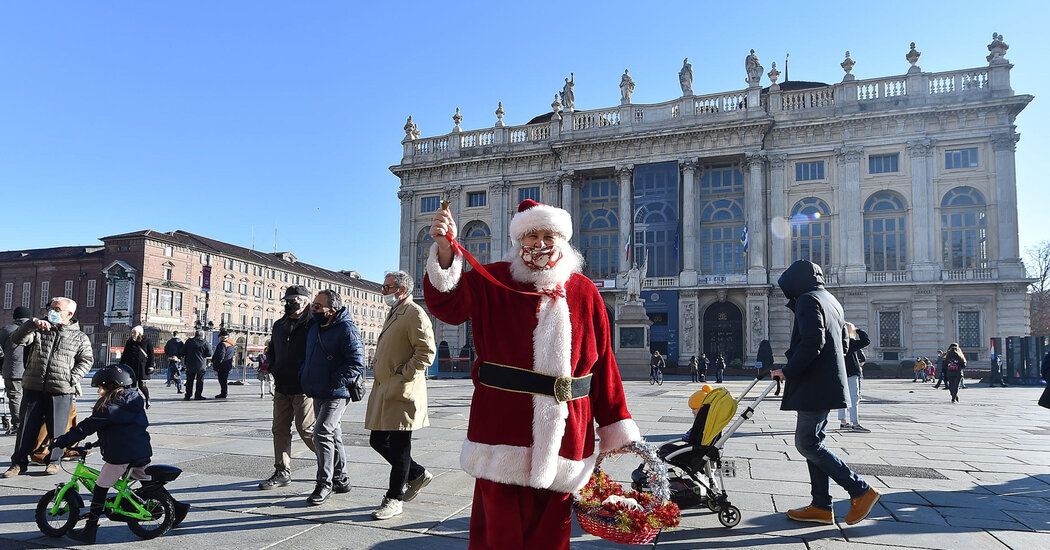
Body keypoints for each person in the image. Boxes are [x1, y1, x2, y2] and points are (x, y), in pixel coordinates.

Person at [424, 198, 640, 549]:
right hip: (502, 430)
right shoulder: (493, 279)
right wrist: (445, 249)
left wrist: (615, 423)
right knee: (499, 531)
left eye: (549, 235)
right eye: (531, 236)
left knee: (552, 533)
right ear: (518, 242)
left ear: (563, 241)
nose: (540, 243)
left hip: (569, 432)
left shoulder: (584, 289)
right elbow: (448, 303)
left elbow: (603, 364)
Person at [770, 259, 880, 525]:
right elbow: (842, 344)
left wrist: (788, 370)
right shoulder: (831, 300)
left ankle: (860, 490)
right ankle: (821, 505)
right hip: (826, 384)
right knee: (814, 443)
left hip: (813, 385)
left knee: (806, 443)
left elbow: (812, 342)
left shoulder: (809, 300)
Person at [365, 270, 437, 520]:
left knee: (399, 445)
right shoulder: (396, 312)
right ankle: (416, 473)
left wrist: (404, 373)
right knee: (377, 440)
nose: (383, 291)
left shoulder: (414, 313)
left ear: (402, 289)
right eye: (383, 287)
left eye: (387, 287)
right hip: (387, 389)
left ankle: (394, 498)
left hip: (401, 390)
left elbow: (427, 352)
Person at [51, 364, 152, 544]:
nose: (99, 392)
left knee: (100, 488)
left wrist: (62, 441)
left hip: (120, 456)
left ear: (112, 385)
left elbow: (85, 427)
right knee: (150, 485)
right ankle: (176, 509)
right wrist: (99, 442)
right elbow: (125, 429)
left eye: (101, 387)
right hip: (139, 450)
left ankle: (90, 530)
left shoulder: (110, 406)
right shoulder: (134, 400)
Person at [3, 297, 93, 478]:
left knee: (57, 430)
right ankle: (18, 463)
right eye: (50, 308)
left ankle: (53, 461)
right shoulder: (39, 330)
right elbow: (17, 339)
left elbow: (86, 360)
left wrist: (72, 377)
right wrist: (31, 324)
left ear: (69, 314)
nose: (51, 311)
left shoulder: (79, 336)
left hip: (61, 389)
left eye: (57, 309)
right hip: (34, 385)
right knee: (26, 428)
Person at [299, 289, 365, 506]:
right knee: (333, 434)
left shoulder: (346, 329)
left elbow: (356, 362)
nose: (313, 310)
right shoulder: (315, 328)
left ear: (332, 311)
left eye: (318, 306)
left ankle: (324, 482)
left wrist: (335, 380)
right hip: (318, 389)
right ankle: (341, 479)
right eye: (313, 305)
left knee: (322, 432)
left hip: (336, 392)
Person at [258, 285, 317, 491]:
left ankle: (331, 465)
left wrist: (309, 373)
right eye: (287, 301)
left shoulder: (314, 323)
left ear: (305, 302)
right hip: (282, 385)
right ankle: (282, 471)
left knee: (306, 430)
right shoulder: (279, 325)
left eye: (293, 301)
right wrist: (273, 366)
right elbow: (272, 349)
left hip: (304, 386)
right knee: (279, 429)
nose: (289, 304)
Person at [0, 306, 32, 436]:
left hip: (13, 369)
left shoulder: (7, 330)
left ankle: (18, 425)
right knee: (30, 398)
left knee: (14, 398)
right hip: (32, 370)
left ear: (15, 317)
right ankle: (31, 424)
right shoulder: (35, 330)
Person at [838, 322, 871, 432]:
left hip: (841, 374)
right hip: (851, 373)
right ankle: (855, 423)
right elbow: (866, 341)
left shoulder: (837, 342)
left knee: (842, 398)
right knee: (854, 398)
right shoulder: (850, 342)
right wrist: (858, 330)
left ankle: (843, 421)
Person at [120, 325, 154, 409]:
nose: (132, 334)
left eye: (134, 332)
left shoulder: (147, 341)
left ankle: (147, 398)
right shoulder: (129, 341)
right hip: (131, 365)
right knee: (132, 385)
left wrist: (151, 366)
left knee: (142, 385)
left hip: (142, 366)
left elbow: (151, 355)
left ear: (139, 333)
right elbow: (125, 354)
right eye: (132, 332)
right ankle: (134, 401)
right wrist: (121, 364)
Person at [180, 330, 212, 401]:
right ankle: (198, 395)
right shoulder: (205, 342)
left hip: (190, 364)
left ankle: (188, 395)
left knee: (189, 380)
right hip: (201, 365)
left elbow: (182, 352)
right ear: (202, 335)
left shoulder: (189, 342)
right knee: (200, 380)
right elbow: (209, 353)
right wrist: (203, 355)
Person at [212, 330, 236, 399]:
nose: (219, 339)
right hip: (228, 364)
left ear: (223, 337)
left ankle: (223, 393)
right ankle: (224, 392)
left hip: (222, 365)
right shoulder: (231, 344)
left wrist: (216, 366)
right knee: (224, 380)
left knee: (222, 380)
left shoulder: (223, 344)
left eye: (220, 338)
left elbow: (220, 355)